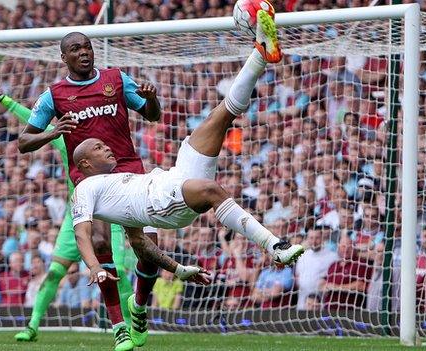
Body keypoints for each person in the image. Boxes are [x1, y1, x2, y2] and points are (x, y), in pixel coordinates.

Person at [71, 3, 302, 337]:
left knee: (219, 116)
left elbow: (143, 247)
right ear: (85, 164)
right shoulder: (86, 190)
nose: (105, 145)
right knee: (211, 191)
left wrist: (177, 269)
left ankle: (261, 53)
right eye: (97, 147)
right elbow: (82, 233)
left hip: (169, 177)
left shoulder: (120, 178)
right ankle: (275, 247)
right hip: (162, 205)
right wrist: (94, 266)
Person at [0, 29, 161, 350]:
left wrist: (151, 99)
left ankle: (139, 307)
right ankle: (118, 326)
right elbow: (23, 141)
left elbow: (153, 116)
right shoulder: (54, 96)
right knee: (99, 240)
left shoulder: (116, 79)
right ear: (64, 57)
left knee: (148, 250)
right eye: (75, 49)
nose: (83, 52)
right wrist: (53, 134)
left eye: (87, 47)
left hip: (130, 171)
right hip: (90, 182)